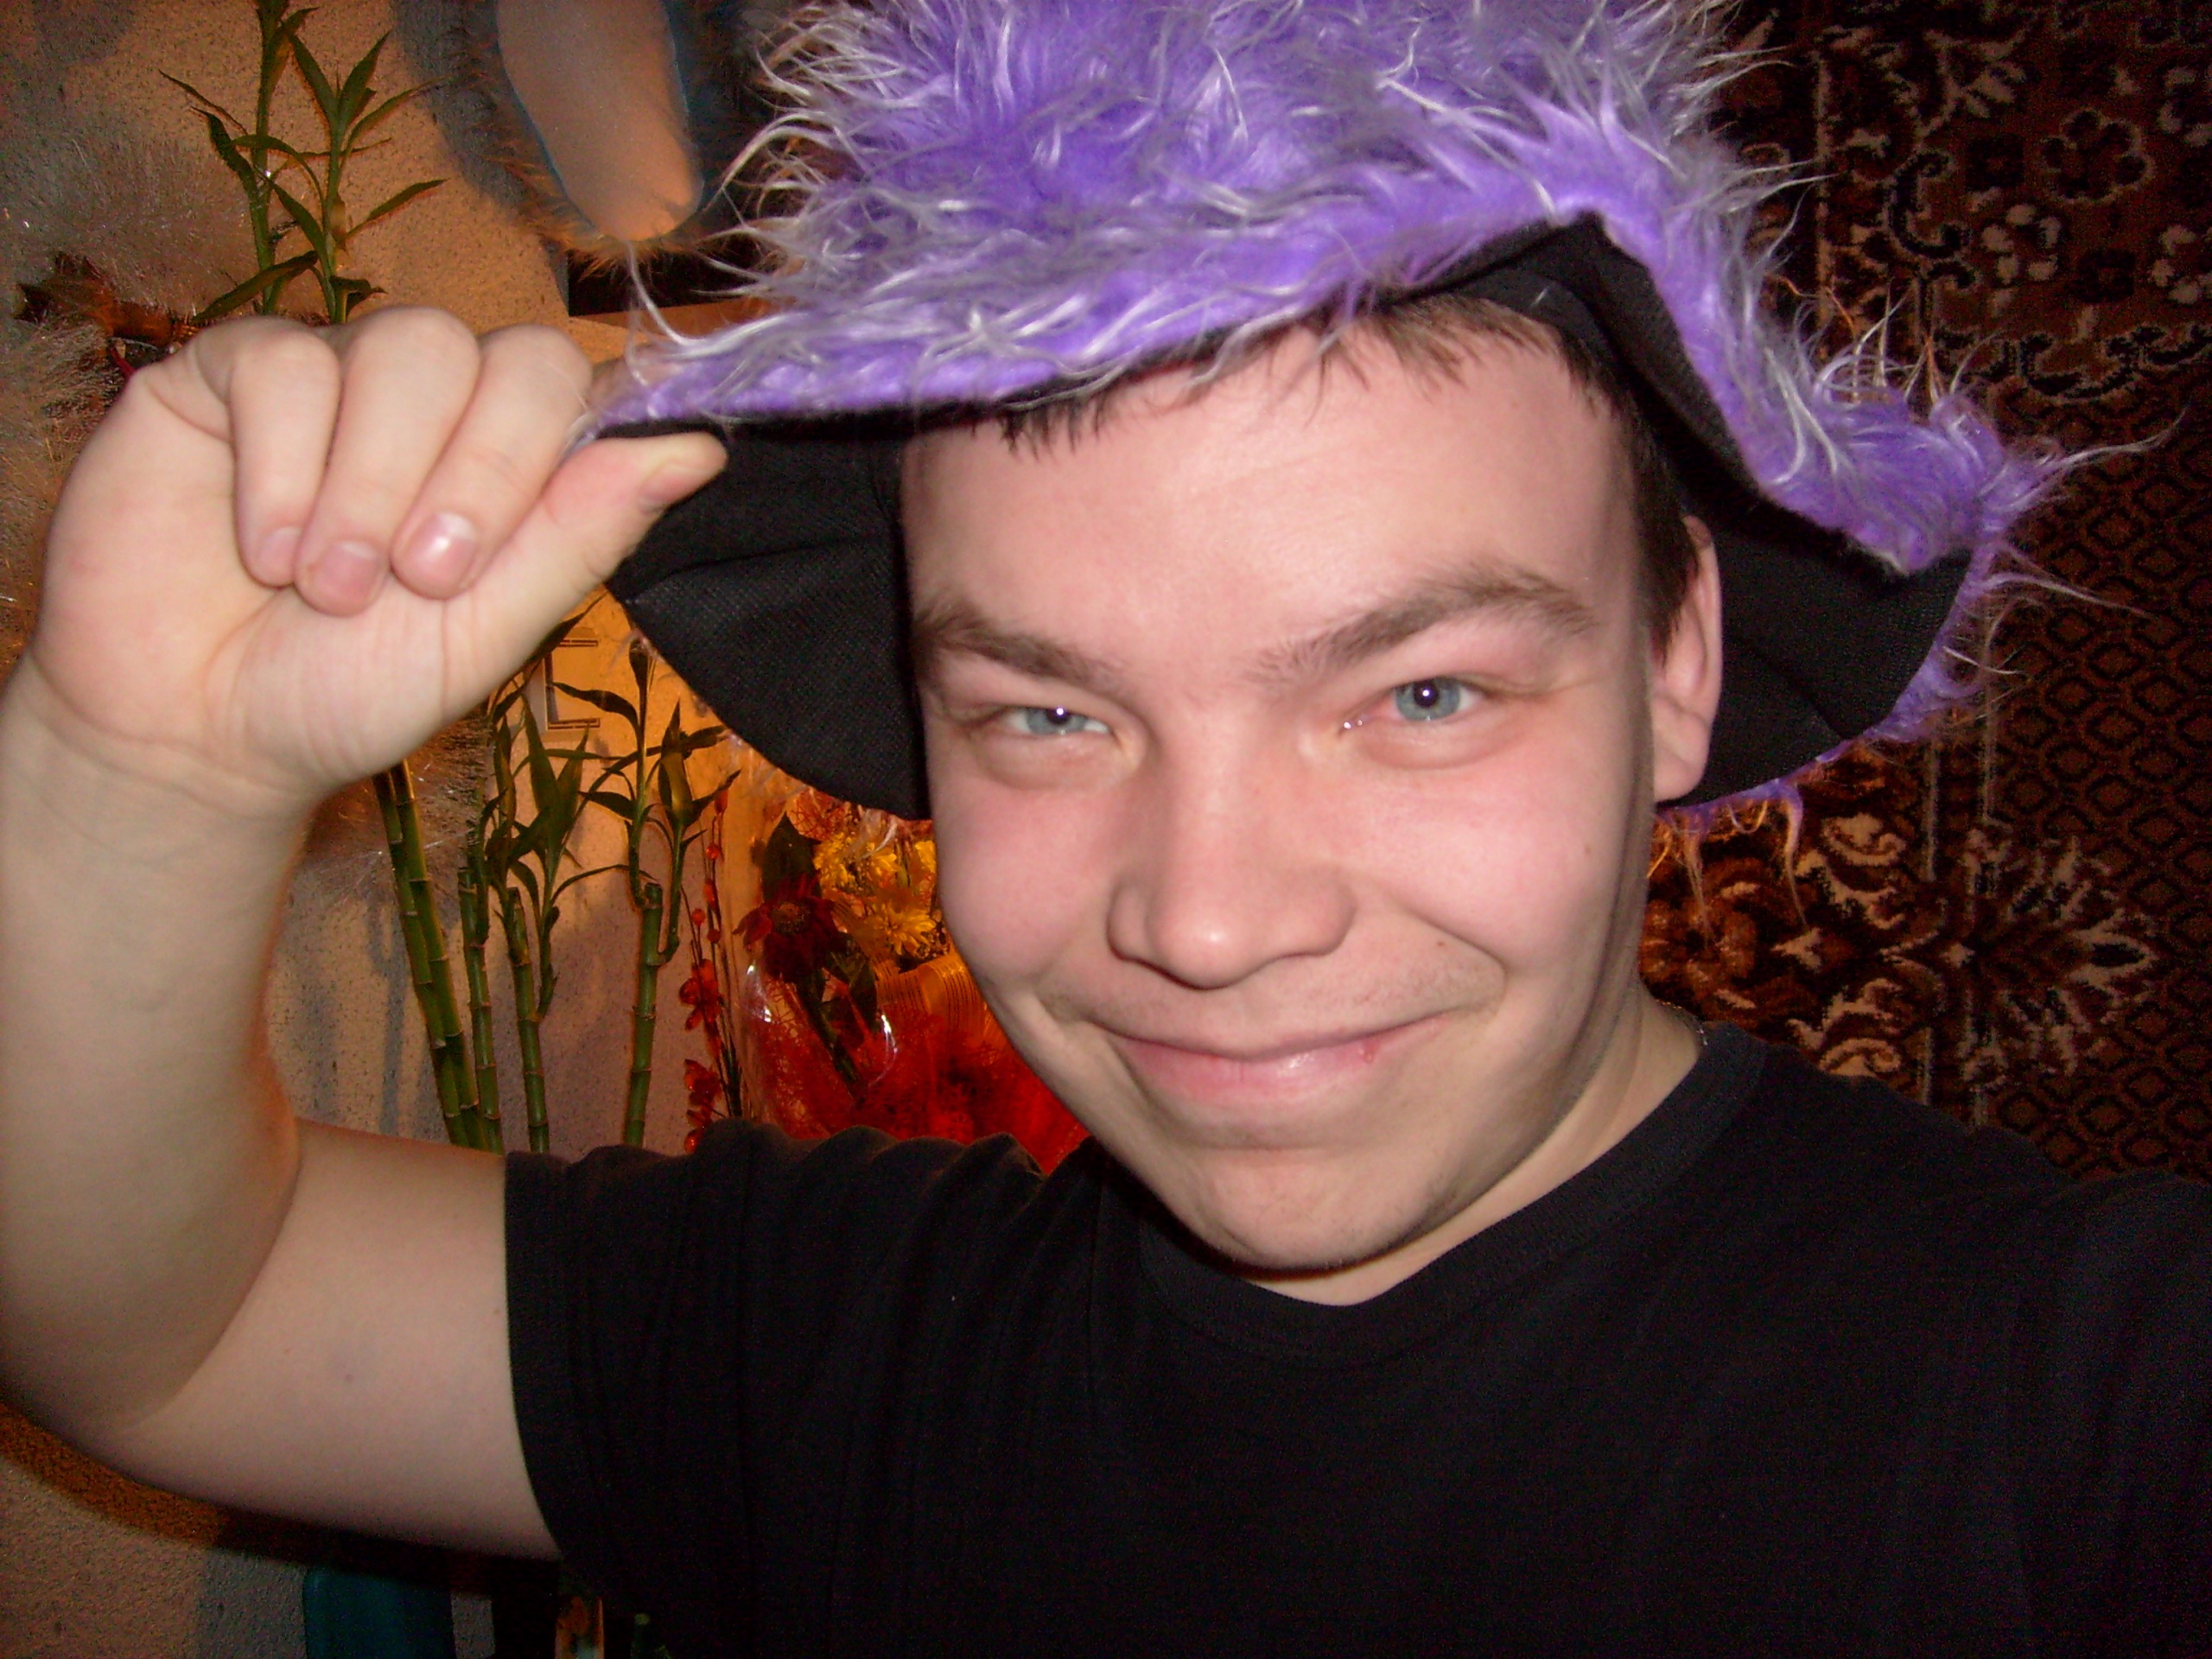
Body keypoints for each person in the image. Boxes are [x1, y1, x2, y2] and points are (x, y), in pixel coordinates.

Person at [0, 0, 2206, 1653]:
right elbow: (171, 1329)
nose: (1207, 922)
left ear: (1675, 659)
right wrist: (145, 776)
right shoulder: (848, 1339)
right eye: (1048, 713)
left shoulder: (2067, 1406)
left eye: (1418, 693)